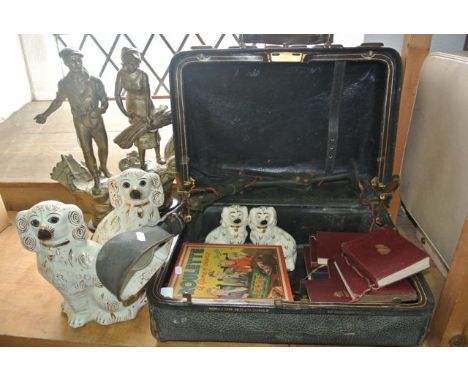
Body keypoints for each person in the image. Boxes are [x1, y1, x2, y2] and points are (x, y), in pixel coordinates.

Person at [34, 47, 111, 194]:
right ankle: (96, 179)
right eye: (72, 61)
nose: (77, 63)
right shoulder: (64, 84)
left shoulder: (95, 81)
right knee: (87, 151)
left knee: (103, 147)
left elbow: (105, 100)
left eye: (78, 60)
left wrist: (100, 110)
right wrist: (45, 115)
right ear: (67, 64)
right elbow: (58, 101)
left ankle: (104, 167)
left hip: (96, 120)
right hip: (80, 122)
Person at [114, 47, 165, 168]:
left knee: (153, 127)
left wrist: (148, 114)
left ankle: (158, 156)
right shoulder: (121, 74)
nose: (134, 66)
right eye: (131, 63)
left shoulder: (143, 75)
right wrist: (125, 112)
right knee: (139, 133)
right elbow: (117, 94)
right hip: (132, 106)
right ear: (125, 62)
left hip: (146, 104)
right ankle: (142, 163)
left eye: (136, 63)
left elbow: (147, 95)